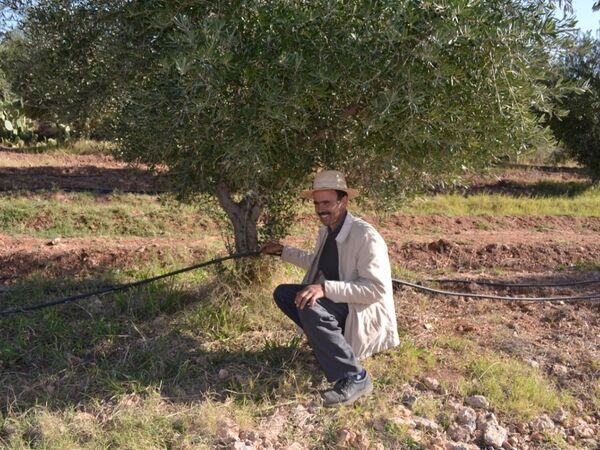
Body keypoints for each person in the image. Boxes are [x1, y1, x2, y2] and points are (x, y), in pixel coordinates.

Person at [261, 170, 400, 407]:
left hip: (360, 309)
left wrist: (325, 288)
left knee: (309, 305)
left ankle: (356, 377)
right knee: (284, 294)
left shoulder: (365, 236)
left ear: (343, 201)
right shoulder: (328, 231)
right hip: (342, 302)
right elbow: (317, 262)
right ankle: (330, 346)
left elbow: (376, 289)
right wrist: (283, 251)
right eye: (316, 204)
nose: (320, 209)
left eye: (326, 203)